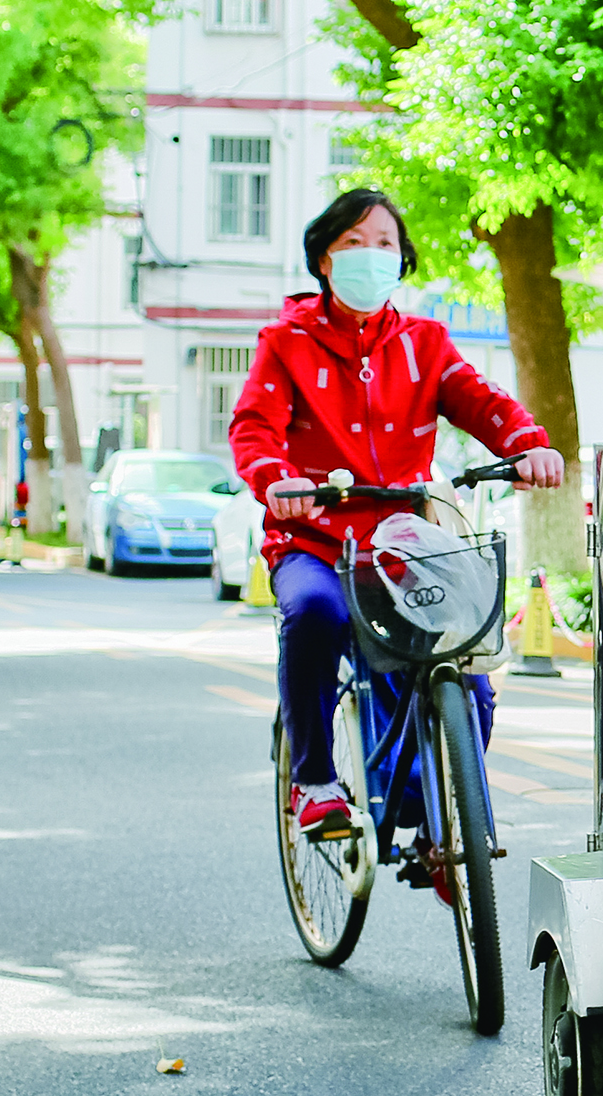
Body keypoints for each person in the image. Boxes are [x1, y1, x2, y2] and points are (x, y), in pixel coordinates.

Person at [230, 188, 563, 834]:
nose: (370, 256)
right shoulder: (286, 342)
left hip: (403, 542)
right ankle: (315, 782)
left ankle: (437, 819)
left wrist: (528, 445)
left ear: (401, 260)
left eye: (384, 244)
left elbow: (479, 399)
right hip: (315, 541)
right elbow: (254, 428)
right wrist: (276, 479)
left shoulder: (425, 343)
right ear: (324, 260)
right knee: (315, 614)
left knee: (466, 673)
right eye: (353, 243)